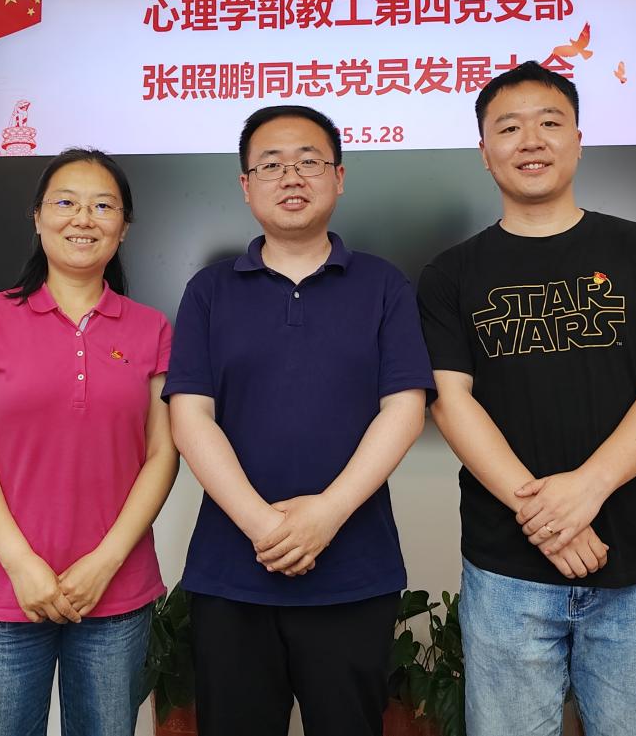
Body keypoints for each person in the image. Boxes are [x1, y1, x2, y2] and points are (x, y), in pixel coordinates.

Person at [417, 62, 636, 736]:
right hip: (506, 572)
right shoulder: (450, 274)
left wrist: (588, 488)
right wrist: (546, 515)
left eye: (550, 122)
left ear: (578, 142)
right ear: (484, 151)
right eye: (509, 128)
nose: (531, 140)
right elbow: (449, 400)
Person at [163, 105, 435, 736]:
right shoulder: (209, 290)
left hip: (353, 571)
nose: (291, 176)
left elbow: (404, 408)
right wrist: (263, 525)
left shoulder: (384, 285)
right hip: (232, 574)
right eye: (271, 164)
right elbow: (191, 414)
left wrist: (326, 515)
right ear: (246, 185)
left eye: (309, 161)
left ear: (339, 177)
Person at [0, 148, 177, 736]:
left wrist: (104, 563)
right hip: (5, 587)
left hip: (115, 590)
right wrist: (22, 565)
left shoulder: (153, 329)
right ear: (38, 217)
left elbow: (162, 454)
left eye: (103, 206)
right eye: (65, 202)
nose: (83, 218)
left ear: (124, 226)